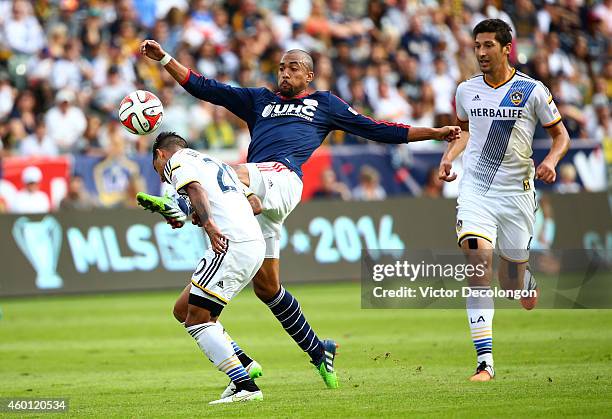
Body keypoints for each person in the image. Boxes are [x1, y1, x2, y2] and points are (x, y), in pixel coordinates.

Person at [138, 39, 461, 390]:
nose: (285, 72)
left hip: (281, 179)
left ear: (309, 74)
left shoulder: (323, 104)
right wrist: (165, 59)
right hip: (254, 198)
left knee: (228, 172)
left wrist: (433, 133)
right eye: (281, 67)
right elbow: (205, 88)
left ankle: (182, 205)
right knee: (265, 288)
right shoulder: (259, 100)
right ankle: (316, 350)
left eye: (293, 67)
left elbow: (377, 129)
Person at [437, 19, 570, 382]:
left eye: (488, 46)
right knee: (477, 263)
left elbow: (561, 136)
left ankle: (522, 280)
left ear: (506, 48)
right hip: (477, 191)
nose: (480, 53)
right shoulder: (466, 90)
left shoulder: (532, 90)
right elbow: (463, 132)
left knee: (509, 282)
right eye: (476, 46)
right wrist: (448, 157)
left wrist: (550, 161)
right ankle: (485, 363)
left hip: (517, 194)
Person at [145, 132, 266, 404]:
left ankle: (245, 385)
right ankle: (244, 365)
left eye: (157, 168)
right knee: (182, 309)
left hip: (228, 244)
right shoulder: (215, 163)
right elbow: (255, 204)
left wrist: (210, 224)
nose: (162, 177)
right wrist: (201, 214)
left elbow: (196, 191)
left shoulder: (176, 162)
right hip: (253, 243)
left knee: (197, 320)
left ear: (161, 154)